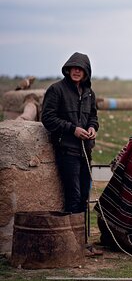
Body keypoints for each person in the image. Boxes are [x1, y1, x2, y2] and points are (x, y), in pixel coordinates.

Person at [41, 52, 102, 256]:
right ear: (68, 69)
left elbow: (93, 117)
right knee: (73, 195)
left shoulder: (89, 93)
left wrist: (92, 128)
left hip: (85, 150)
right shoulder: (56, 90)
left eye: (81, 68)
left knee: (84, 194)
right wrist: (72, 129)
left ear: (86, 72)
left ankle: (81, 242)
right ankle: (72, 245)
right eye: (73, 68)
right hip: (66, 150)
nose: (76, 71)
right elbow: (48, 118)